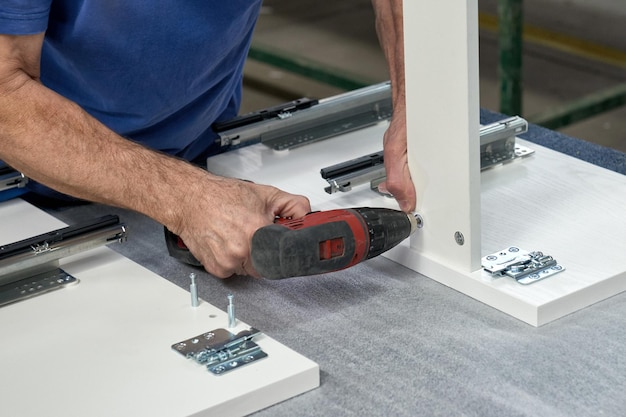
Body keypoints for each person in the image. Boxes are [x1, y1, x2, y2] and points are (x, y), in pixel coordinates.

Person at [0, 0, 415, 278]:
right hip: (21, 185)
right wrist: (185, 197)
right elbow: (5, 93)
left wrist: (415, 104)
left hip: (196, 153)